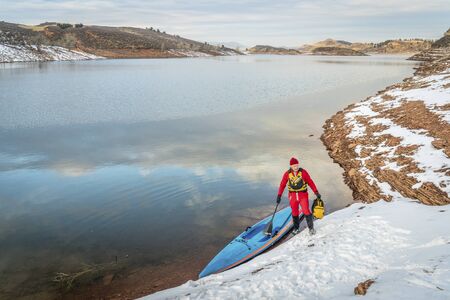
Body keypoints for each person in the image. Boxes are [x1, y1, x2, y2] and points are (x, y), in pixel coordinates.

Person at [277, 157, 321, 235]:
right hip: (292, 196)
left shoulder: (303, 172)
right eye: (294, 166)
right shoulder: (287, 174)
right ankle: (296, 229)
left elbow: (310, 182)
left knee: (306, 211)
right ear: (291, 166)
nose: (296, 167)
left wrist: (316, 192)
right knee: (294, 212)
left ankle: (311, 228)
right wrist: (279, 195)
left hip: (302, 195)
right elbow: (282, 184)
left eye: (297, 165)